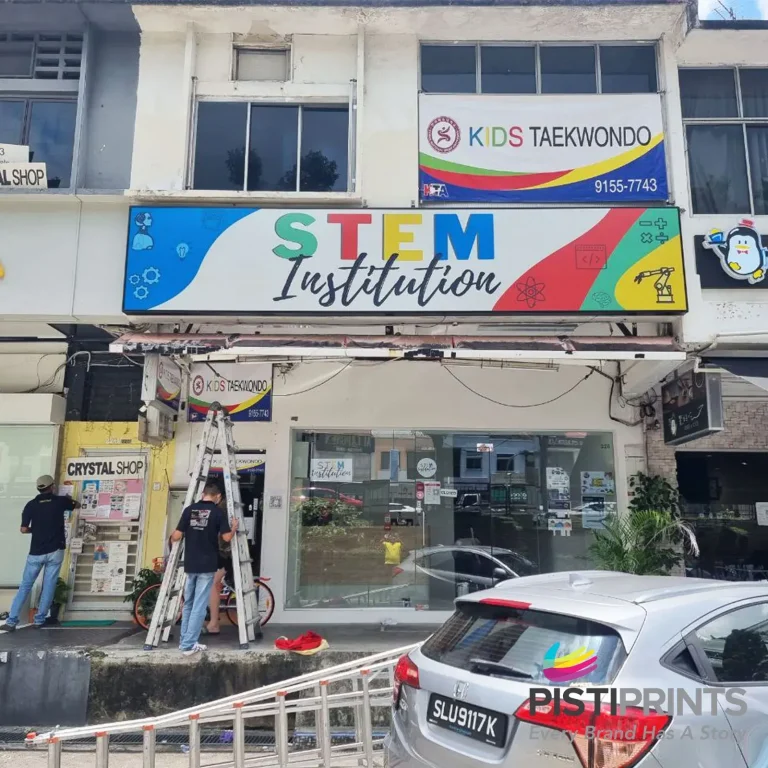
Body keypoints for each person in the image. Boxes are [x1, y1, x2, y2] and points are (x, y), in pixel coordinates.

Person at [1, 475, 80, 631]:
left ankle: (11, 621)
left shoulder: (31, 505)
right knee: (49, 585)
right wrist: (68, 499)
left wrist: (36, 530)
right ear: (52, 487)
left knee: (25, 586)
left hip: (36, 552)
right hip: (55, 550)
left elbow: (23, 529)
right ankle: (39, 620)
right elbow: (77, 505)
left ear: (38, 488)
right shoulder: (60, 501)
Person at [172, 481, 236, 656]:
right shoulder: (217, 512)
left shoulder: (189, 510)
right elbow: (227, 537)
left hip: (190, 563)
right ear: (218, 497)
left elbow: (176, 536)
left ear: (202, 494)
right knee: (199, 605)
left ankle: (184, 641)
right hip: (207, 564)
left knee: (189, 604)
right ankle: (189, 645)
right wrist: (234, 528)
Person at [205, 496, 233, 636]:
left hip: (223, 553)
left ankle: (214, 623)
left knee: (213, 584)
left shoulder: (221, 509)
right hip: (225, 553)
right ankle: (213, 621)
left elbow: (225, 536)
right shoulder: (226, 508)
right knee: (214, 584)